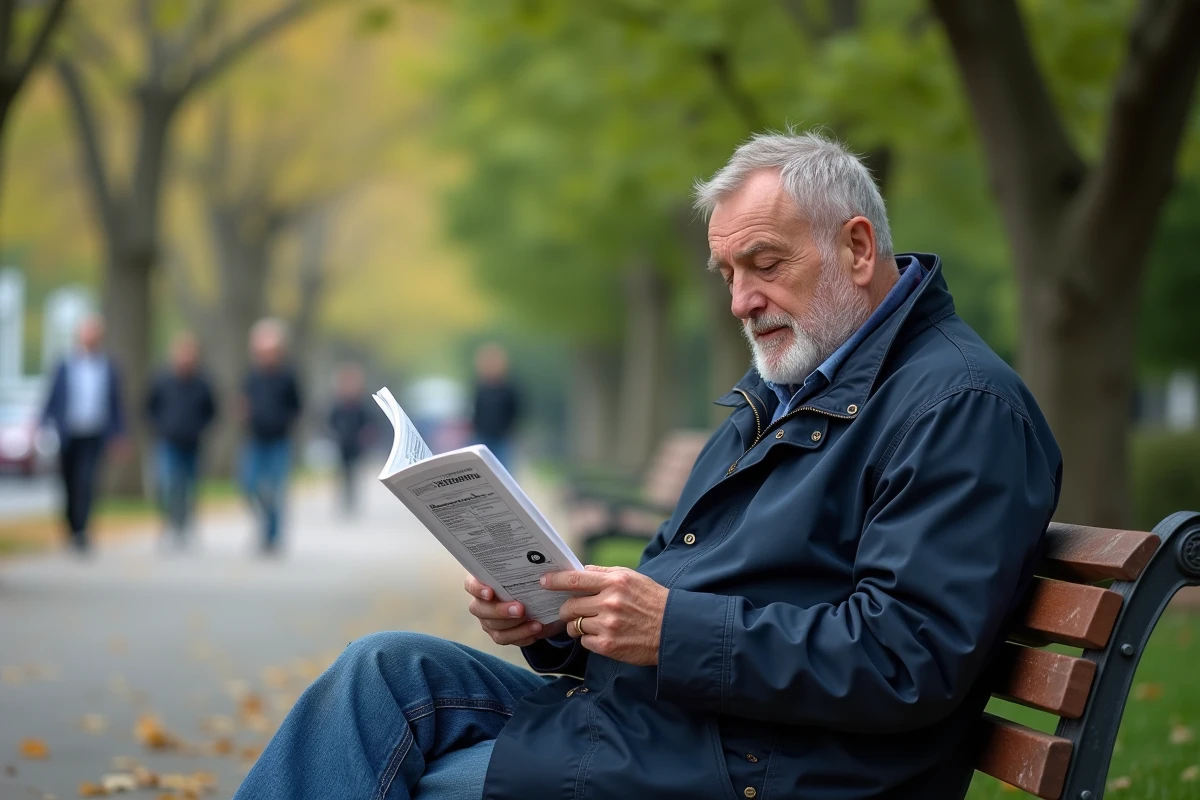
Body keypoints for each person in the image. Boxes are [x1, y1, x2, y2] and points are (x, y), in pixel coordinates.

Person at [234, 132, 1063, 800]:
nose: (741, 300)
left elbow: (907, 658)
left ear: (855, 247)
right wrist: (562, 627)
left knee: (435, 785)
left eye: (766, 264)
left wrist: (671, 630)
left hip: (767, 766)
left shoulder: (960, 406)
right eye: (730, 273)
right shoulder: (783, 395)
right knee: (381, 672)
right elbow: (686, 597)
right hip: (673, 725)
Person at [40, 314, 127, 553]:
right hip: (69, 433)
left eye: (94, 334)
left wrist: (119, 434)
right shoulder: (65, 364)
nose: (90, 338)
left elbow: (116, 403)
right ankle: (71, 526)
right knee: (68, 483)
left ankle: (82, 531)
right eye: (86, 333)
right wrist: (42, 425)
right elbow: (51, 397)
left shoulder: (108, 366)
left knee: (87, 482)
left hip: (95, 432)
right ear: (79, 336)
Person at [144, 333, 218, 547]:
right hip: (168, 442)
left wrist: (200, 428)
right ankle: (169, 524)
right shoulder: (161, 380)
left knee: (189, 487)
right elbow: (149, 407)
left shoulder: (203, 382)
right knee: (168, 485)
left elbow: (212, 410)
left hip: (193, 444)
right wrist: (160, 427)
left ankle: (185, 526)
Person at [239, 318, 302, 554]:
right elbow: (242, 401)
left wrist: (284, 421)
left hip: (278, 441)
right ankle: (265, 524)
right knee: (249, 485)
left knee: (276, 489)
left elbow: (297, 407)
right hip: (254, 439)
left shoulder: (288, 376)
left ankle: (272, 536)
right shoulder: (251, 376)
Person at [327, 363, 374, 515]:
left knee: (354, 473)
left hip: (356, 445)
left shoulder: (360, 405)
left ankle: (352, 500)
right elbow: (331, 421)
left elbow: (368, 422)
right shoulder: (338, 405)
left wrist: (364, 435)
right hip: (342, 444)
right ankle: (343, 500)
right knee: (342, 473)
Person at [470, 342, 521, 470]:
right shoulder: (480, 387)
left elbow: (514, 411)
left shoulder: (508, 389)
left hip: (501, 437)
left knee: (503, 469)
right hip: (481, 435)